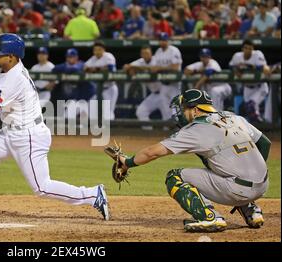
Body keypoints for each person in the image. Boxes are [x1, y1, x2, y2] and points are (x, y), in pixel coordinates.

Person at [0, 33, 109, 221]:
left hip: (29, 136)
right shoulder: (0, 63)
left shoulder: (14, 79)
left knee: (41, 188)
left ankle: (93, 194)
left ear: (12, 56)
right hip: (10, 130)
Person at [108, 89, 271, 232]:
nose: (181, 113)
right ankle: (251, 209)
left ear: (195, 110)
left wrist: (127, 162)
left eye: (184, 109)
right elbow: (264, 143)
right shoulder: (234, 117)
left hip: (237, 190)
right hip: (263, 185)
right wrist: (255, 173)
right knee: (220, 164)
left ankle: (210, 217)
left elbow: (152, 152)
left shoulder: (196, 129)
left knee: (174, 177)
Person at [229, 40, 271, 123]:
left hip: (260, 86)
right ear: (242, 49)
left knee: (252, 105)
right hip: (247, 88)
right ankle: (258, 126)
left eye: (250, 48)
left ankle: (262, 126)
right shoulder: (237, 56)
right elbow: (231, 65)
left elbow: (263, 67)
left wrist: (265, 68)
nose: (248, 50)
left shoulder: (257, 54)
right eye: (246, 48)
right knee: (249, 110)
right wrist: (235, 70)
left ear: (253, 49)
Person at [123, 45, 161, 129]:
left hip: (166, 93)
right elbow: (126, 67)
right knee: (141, 112)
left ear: (151, 54)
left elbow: (152, 69)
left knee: (169, 118)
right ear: (141, 54)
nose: (145, 55)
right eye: (143, 53)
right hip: (154, 94)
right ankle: (149, 134)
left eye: (147, 53)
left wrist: (135, 68)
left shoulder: (157, 60)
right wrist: (130, 70)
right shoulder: (140, 62)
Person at [52, 48, 96, 120]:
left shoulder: (82, 64)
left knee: (93, 122)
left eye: (72, 57)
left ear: (76, 57)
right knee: (66, 118)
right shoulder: (65, 66)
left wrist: (65, 71)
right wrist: (66, 70)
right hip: (78, 99)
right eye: (68, 57)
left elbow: (74, 69)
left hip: (90, 98)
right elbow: (54, 69)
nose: (69, 59)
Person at [150, 32, 183, 120]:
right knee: (165, 109)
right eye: (161, 40)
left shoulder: (174, 50)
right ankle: (166, 129)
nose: (162, 42)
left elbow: (175, 67)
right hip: (164, 84)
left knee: (175, 109)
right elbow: (154, 68)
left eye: (164, 40)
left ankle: (178, 130)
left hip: (174, 84)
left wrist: (160, 68)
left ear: (167, 41)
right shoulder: (158, 51)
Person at [84, 41, 118, 120]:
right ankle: (94, 127)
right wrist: (99, 69)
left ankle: (111, 130)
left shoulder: (108, 56)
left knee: (108, 112)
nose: (97, 52)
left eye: (99, 49)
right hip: (100, 89)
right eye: (95, 50)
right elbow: (85, 68)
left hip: (110, 88)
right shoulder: (93, 58)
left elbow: (109, 68)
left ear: (103, 50)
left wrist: (95, 69)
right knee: (90, 106)